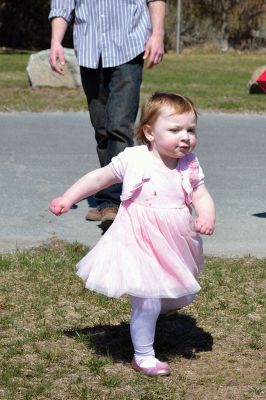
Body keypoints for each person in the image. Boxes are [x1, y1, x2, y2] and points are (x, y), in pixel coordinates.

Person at [49, 92, 216, 377]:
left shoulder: (189, 164)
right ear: (150, 132)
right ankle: (144, 355)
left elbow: (201, 196)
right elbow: (99, 178)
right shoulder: (134, 158)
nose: (185, 137)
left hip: (175, 240)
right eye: (175, 130)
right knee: (148, 297)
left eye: (190, 130)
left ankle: (156, 309)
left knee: (182, 295)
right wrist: (68, 197)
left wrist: (206, 216)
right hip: (138, 238)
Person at [49, 0, 166, 226]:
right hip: (90, 50)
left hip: (128, 46)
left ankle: (116, 201)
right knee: (102, 129)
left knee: (119, 126)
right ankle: (111, 197)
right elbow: (62, 7)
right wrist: (56, 41)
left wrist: (157, 33)